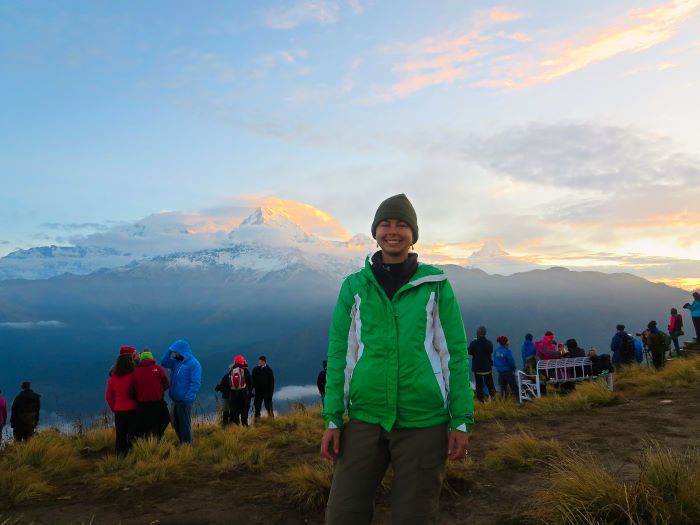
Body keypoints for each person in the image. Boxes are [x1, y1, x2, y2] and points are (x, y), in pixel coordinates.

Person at [321, 193, 474, 525]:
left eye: (402, 224)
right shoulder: (355, 286)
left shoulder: (435, 284)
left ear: (413, 234)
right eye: (385, 224)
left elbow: (454, 354)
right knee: (343, 513)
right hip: (365, 416)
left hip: (424, 419)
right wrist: (333, 417)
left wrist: (460, 419)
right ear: (375, 233)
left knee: (414, 516)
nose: (393, 231)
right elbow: (340, 354)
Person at [161, 339, 202, 444]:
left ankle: (187, 445)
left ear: (182, 351)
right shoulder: (176, 363)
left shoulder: (194, 364)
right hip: (175, 399)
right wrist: (169, 350)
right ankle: (182, 442)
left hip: (184, 400)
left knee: (184, 424)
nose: (174, 354)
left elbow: (195, 383)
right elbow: (164, 362)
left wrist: (187, 398)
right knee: (176, 423)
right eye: (174, 352)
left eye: (176, 351)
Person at [131, 350, 170, 440]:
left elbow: (132, 391)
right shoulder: (158, 368)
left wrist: (139, 396)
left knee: (146, 425)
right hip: (158, 402)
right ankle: (157, 440)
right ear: (151, 358)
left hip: (142, 404)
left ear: (141, 359)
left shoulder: (136, 372)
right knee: (164, 420)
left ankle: (148, 443)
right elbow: (166, 384)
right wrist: (158, 391)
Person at [106, 354, 137, 454]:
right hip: (133, 410)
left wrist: (114, 408)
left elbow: (109, 396)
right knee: (132, 435)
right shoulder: (133, 377)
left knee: (120, 435)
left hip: (119, 411)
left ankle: (119, 457)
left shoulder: (112, 379)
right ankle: (131, 456)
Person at [468, 325, 495, 402]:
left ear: (478, 333)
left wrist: (472, 344)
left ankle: (481, 400)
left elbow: (469, 352)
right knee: (490, 384)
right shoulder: (489, 343)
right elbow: (490, 352)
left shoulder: (474, 343)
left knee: (479, 385)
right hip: (487, 367)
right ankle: (493, 398)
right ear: (485, 333)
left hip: (478, 368)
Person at [228, 355, 252, 426]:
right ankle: (244, 425)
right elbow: (250, 382)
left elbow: (228, 383)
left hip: (233, 394)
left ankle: (236, 425)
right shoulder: (245, 370)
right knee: (244, 409)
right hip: (243, 393)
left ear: (235, 362)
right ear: (242, 361)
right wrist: (249, 392)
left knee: (235, 410)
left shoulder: (231, 371)